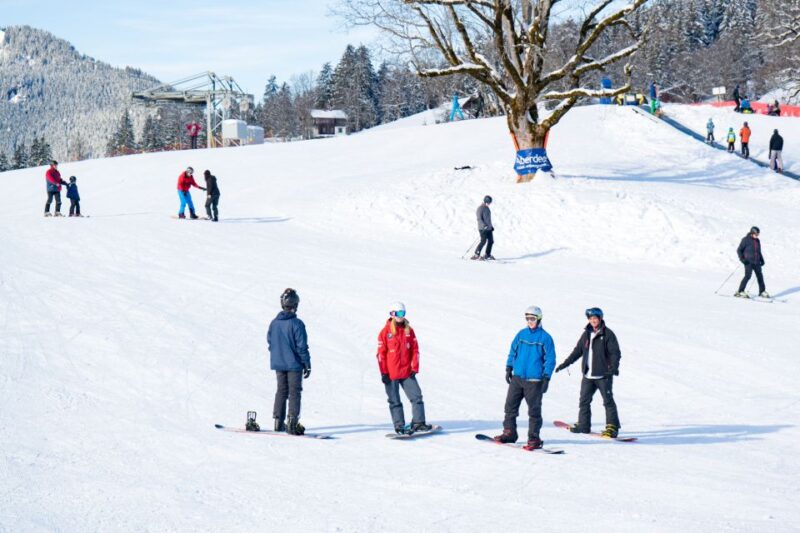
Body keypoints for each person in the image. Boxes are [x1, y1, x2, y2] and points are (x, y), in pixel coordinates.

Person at [494, 306, 556, 449]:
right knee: (510, 407)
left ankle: (534, 438)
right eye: (528, 319)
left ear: (539, 319)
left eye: (533, 319)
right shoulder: (521, 334)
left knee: (534, 411)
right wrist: (509, 367)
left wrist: (546, 377)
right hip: (517, 378)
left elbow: (550, 359)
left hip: (534, 381)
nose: (530, 321)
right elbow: (512, 351)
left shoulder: (545, 338)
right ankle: (509, 433)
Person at [555, 308, 622, 438]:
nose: (593, 320)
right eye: (590, 318)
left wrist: (613, 368)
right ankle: (584, 425)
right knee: (584, 400)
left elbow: (615, 353)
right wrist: (566, 364)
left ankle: (612, 428)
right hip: (588, 375)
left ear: (600, 318)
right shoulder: (586, 334)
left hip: (603, 375)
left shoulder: (608, 334)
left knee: (608, 401)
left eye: (595, 318)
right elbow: (577, 351)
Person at [376, 302, 431, 435]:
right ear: (393, 314)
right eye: (399, 314)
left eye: (403, 313)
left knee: (417, 396)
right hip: (391, 373)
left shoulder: (409, 331)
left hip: (406, 372)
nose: (401, 316)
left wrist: (414, 367)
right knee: (395, 401)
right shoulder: (385, 332)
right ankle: (399, 426)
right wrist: (384, 373)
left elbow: (415, 350)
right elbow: (380, 354)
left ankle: (418, 423)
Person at [265, 288, 311, 435]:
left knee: (281, 390)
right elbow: (301, 346)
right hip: (294, 364)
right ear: (295, 304)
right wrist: (307, 364)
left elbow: (270, 342)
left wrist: (278, 354)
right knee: (294, 392)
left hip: (279, 363)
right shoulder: (297, 324)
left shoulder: (274, 323)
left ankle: (278, 421)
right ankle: (292, 422)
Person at [735, 227, 768, 298]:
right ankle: (740, 291)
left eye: (758, 234)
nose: (757, 236)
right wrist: (742, 259)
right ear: (752, 233)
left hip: (756, 262)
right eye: (756, 234)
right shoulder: (745, 240)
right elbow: (739, 250)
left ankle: (762, 291)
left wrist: (762, 260)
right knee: (748, 276)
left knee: (760, 276)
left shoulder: (757, 241)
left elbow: (759, 251)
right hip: (748, 262)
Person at [471, 195, 495, 260]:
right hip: (482, 228)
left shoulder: (487, 208)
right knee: (483, 241)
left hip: (488, 228)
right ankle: (476, 254)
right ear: (486, 201)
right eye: (489, 202)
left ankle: (487, 254)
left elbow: (488, 219)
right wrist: (484, 225)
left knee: (491, 241)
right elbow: (479, 218)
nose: (490, 203)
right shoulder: (480, 208)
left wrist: (491, 226)